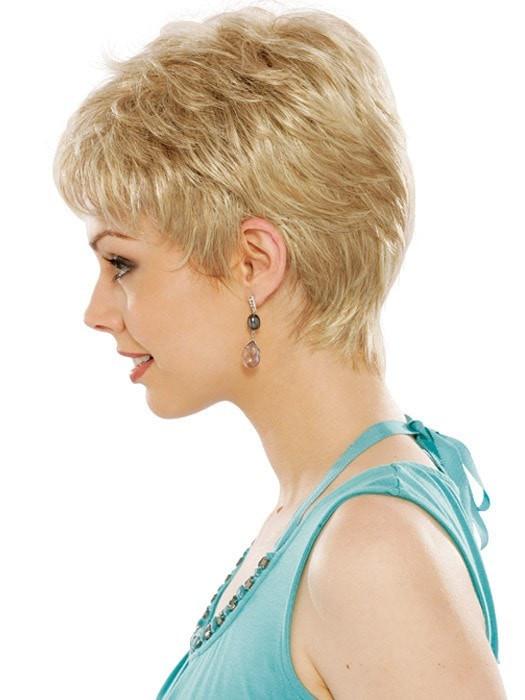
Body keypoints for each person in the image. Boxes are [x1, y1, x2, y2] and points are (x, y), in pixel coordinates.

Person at [52, 6, 506, 698]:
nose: (96, 313)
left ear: (253, 262)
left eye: (121, 263)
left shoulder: (371, 549)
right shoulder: (329, 513)